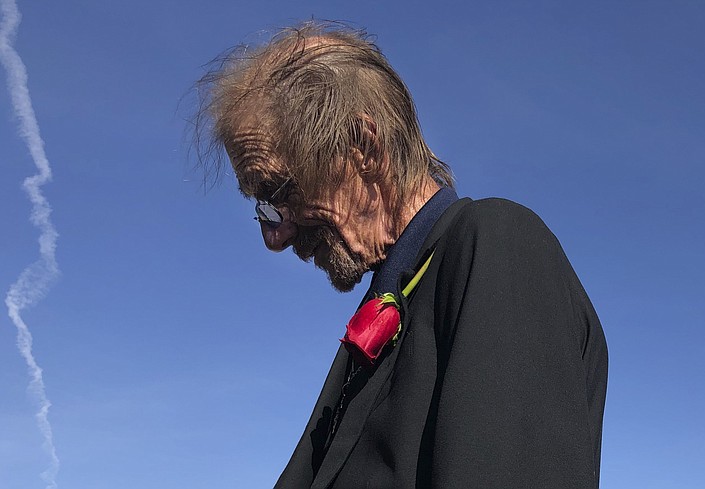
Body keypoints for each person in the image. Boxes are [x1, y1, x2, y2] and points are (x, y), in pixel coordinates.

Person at [193, 22, 608, 489]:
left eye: (279, 190)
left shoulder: (496, 245)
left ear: (363, 148)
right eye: (262, 207)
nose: (275, 235)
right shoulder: (395, 302)